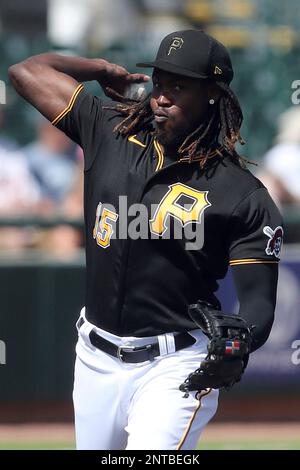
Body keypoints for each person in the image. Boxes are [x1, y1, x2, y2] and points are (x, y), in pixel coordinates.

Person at [9, 29, 283, 450]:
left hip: (174, 365)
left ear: (213, 94)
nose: (162, 96)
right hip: (94, 357)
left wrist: (243, 336)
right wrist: (101, 69)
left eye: (179, 86)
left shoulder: (242, 194)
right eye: (159, 83)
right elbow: (26, 71)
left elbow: (260, 302)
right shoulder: (109, 131)